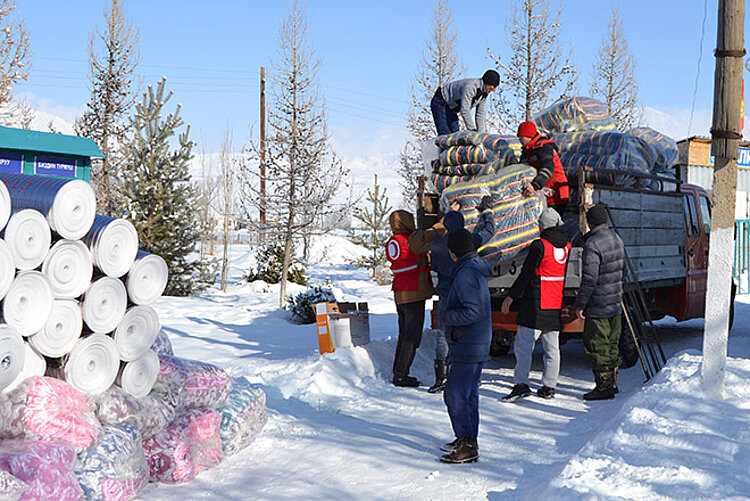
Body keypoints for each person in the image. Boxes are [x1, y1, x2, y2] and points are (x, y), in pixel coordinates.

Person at [500, 208, 571, 402]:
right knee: (552, 348)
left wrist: (510, 296)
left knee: (523, 347)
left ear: (544, 226)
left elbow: (526, 273)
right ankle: (549, 386)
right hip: (555, 301)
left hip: (536, 302)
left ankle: (521, 384)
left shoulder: (540, 246)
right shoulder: (566, 246)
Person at [428, 198, 495, 393]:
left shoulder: (438, 244)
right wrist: (487, 213)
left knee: (443, 334)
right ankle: (470, 374)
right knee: (468, 332)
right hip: (464, 292)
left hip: (445, 293)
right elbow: (489, 233)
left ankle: (441, 377)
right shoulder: (469, 241)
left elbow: (433, 266)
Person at [439, 229, 492, 464]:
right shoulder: (474, 267)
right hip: (475, 341)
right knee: (468, 394)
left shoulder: (466, 274)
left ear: (452, 252)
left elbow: (473, 310)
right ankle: (467, 439)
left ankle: (468, 444)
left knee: (456, 395)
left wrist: (448, 317)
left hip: (469, 342)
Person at [386, 210, 446, 387]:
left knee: (405, 334)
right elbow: (433, 233)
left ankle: (399, 372)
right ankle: (401, 376)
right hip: (413, 293)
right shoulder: (411, 239)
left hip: (400, 294)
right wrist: (445, 220)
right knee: (411, 338)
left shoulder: (393, 241)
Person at [573, 205, 626, 400]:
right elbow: (623, 270)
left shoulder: (593, 244)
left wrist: (580, 305)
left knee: (597, 344)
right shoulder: (616, 238)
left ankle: (603, 387)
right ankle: (613, 383)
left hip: (598, 304)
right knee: (612, 343)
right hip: (615, 301)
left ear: (589, 222)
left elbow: (589, 278)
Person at [517, 120, 569, 216]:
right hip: (542, 194)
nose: (519, 139)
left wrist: (535, 185)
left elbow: (548, 167)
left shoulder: (544, 147)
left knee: (550, 224)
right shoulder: (527, 150)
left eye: (521, 137)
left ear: (527, 136)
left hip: (555, 194)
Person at [431, 70, 500, 136]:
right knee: (445, 136)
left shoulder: (484, 94)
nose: (494, 89)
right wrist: (472, 130)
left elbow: (480, 113)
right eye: (493, 87)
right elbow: (464, 109)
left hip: (451, 109)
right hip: (441, 102)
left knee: (455, 135)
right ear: (487, 83)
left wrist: (480, 134)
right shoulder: (470, 87)